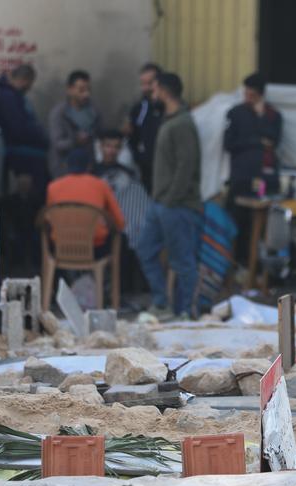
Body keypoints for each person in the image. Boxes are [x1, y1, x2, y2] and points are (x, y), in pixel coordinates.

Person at [135, 72, 202, 320]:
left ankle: (186, 312)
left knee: (182, 261)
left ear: (163, 91)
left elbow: (186, 166)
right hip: (160, 203)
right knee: (145, 249)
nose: (152, 92)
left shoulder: (183, 123)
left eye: (154, 88)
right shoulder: (169, 120)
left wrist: (171, 199)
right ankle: (162, 302)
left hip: (177, 204)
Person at [0, 64, 49, 271]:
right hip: (23, 162)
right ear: (24, 79)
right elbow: (17, 130)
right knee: (24, 213)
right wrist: (40, 137)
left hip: (28, 159)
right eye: (29, 83)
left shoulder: (12, 97)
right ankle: (24, 262)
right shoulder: (8, 98)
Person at [223, 72, 283, 263]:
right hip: (240, 178)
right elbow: (229, 144)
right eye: (246, 93)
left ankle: (254, 265)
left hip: (263, 180)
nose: (248, 98)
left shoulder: (272, 115)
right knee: (235, 221)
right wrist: (256, 141)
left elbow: (274, 141)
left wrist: (260, 117)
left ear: (260, 95)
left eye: (252, 95)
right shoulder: (235, 113)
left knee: (258, 223)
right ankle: (234, 263)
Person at [95, 128, 150, 294]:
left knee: (127, 240)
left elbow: (137, 209)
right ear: (100, 146)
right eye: (108, 146)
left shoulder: (128, 175)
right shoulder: (91, 173)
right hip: (93, 232)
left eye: (116, 147)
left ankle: (124, 292)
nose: (111, 151)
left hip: (122, 231)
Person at [46, 149, 125, 259]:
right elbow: (120, 222)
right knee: (121, 239)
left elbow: (49, 219)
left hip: (61, 248)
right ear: (89, 166)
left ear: (67, 165)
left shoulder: (53, 187)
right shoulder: (101, 185)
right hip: (95, 249)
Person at [49, 70, 102, 178]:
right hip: (65, 170)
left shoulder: (94, 111)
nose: (86, 94)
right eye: (81, 90)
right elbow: (57, 144)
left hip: (89, 170)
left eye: (88, 90)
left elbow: (100, 137)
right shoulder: (59, 113)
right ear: (70, 90)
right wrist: (75, 141)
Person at [124, 63, 164, 193]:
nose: (146, 88)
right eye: (143, 84)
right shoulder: (139, 108)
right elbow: (132, 138)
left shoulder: (169, 107)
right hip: (146, 169)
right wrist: (140, 158)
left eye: (150, 83)